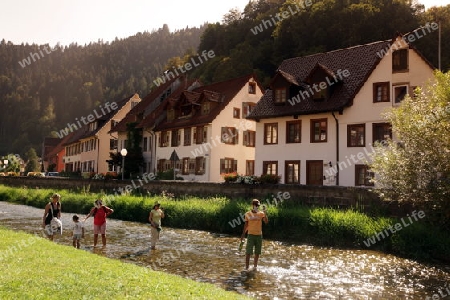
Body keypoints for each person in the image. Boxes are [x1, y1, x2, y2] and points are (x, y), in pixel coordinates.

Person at [240, 199, 268, 271]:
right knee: (248, 252)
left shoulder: (261, 213)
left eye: (258, 206)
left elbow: (266, 222)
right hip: (250, 235)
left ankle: (255, 267)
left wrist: (265, 212)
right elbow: (246, 225)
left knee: (257, 252)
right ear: (252, 205)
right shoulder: (247, 214)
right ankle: (247, 268)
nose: (257, 207)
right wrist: (243, 235)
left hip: (259, 235)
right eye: (255, 205)